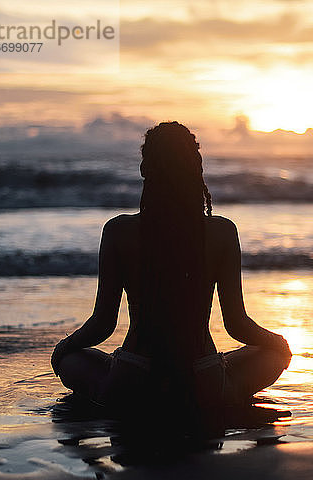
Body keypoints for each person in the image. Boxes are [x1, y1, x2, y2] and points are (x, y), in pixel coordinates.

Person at [51, 121, 291, 437]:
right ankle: (222, 397)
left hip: (132, 378)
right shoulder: (220, 231)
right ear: (197, 168)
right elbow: (236, 324)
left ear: (144, 168)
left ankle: (118, 388)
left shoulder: (118, 231)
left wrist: (63, 349)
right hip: (203, 381)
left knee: (75, 359)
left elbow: (103, 324)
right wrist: (280, 344)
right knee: (271, 354)